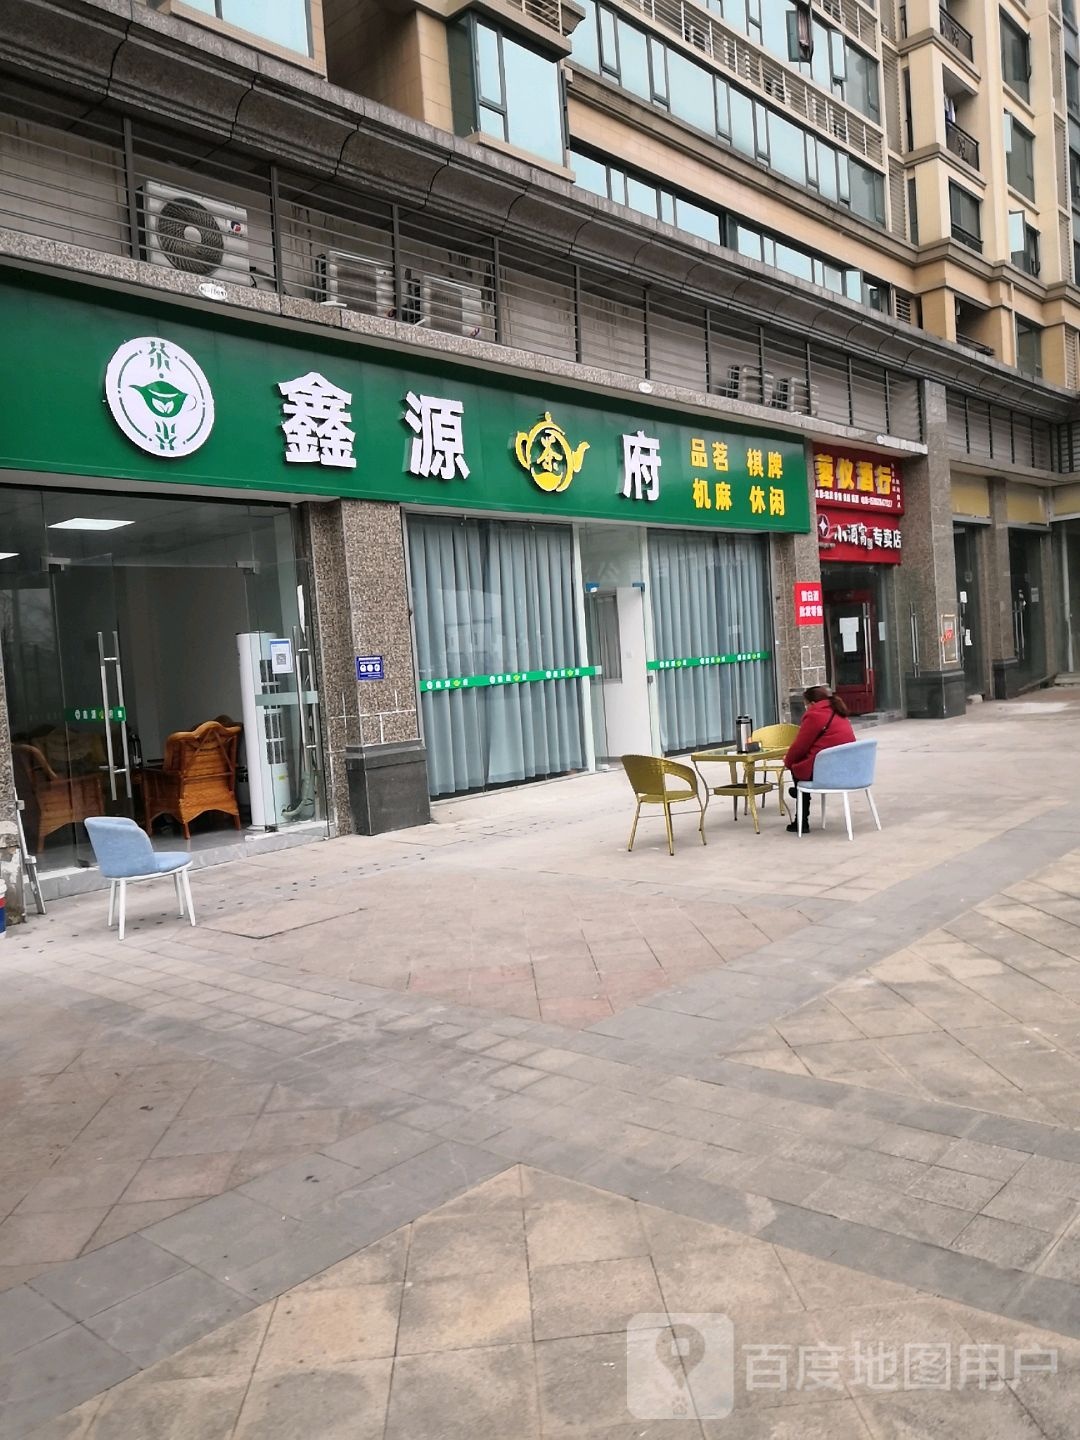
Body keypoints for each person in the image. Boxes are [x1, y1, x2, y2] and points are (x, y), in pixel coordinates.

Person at [783, 685, 855, 832]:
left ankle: (801, 821)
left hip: (825, 772)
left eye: (806, 705)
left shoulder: (815, 715)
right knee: (802, 766)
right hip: (845, 770)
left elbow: (800, 746)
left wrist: (787, 762)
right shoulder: (838, 711)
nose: (806, 708)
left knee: (797, 767)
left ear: (813, 703)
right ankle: (798, 792)